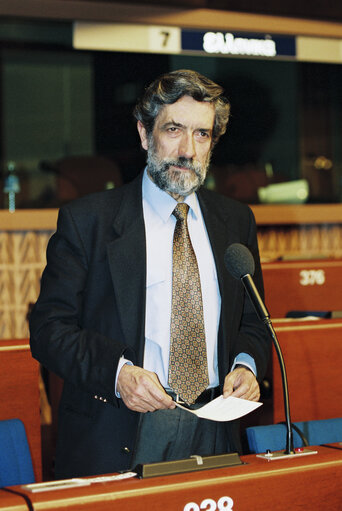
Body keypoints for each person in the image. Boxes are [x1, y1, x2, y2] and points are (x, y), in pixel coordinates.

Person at [30, 69, 270, 479]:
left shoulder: (236, 221)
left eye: (202, 135)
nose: (188, 150)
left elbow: (253, 322)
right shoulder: (89, 221)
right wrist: (119, 374)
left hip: (216, 428)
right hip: (122, 430)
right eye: (174, 129)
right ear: (145, 134)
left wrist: (247, 365)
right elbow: (49, 330)